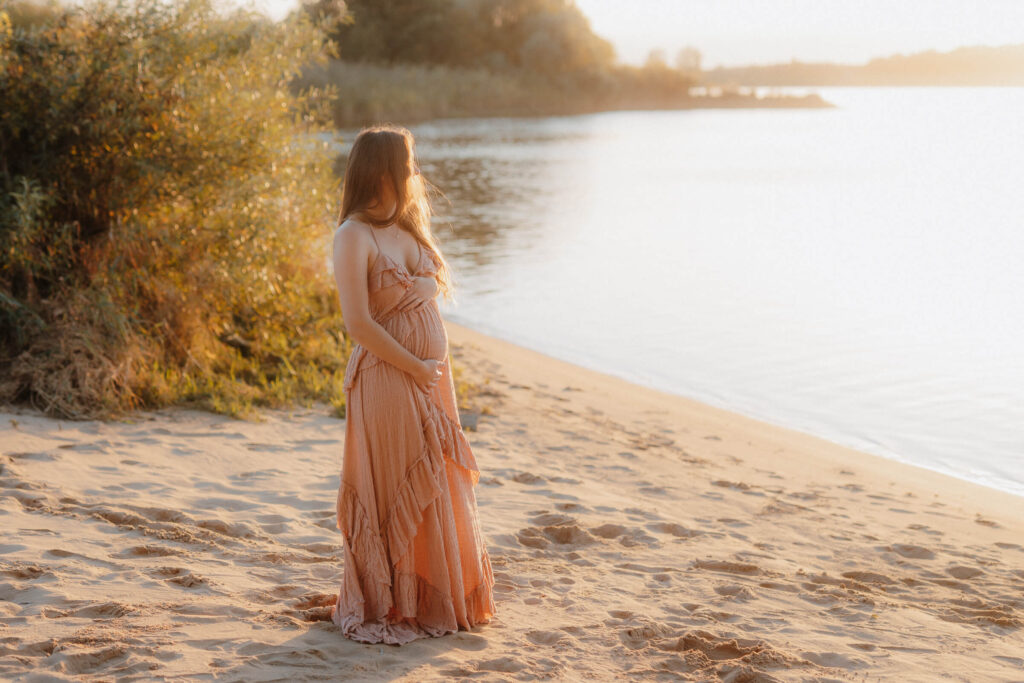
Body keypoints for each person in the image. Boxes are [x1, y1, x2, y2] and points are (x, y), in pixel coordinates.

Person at [328, 125, 496, 645]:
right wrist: (415, 366)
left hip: (429, 382)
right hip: (385, 376)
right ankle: (391, 599)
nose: (413, 171)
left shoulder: (407, 227)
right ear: (381, 169)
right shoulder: (353, 234)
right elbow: (358, 324)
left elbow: (432, 291)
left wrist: (425, 287)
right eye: (407, 162)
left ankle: (430, 595)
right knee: (399, 483)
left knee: (436, 484)